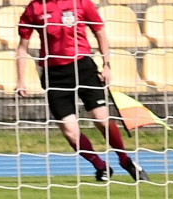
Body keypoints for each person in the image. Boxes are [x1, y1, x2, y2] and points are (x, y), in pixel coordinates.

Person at [15, 0, 149, 182]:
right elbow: (23, 47)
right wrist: (21, 80)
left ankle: (125, 160)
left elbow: (99, 32)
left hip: (83, 68)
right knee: (70, 131)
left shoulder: (80, 2)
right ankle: (100, 165)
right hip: (55, 75)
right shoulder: (35, 8)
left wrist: (107, 65)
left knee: (102, 120)